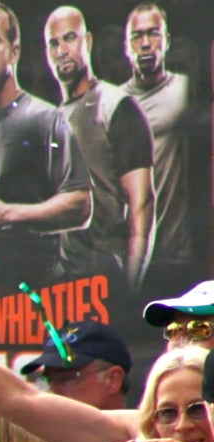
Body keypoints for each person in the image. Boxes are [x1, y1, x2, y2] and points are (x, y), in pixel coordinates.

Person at [0, 2, 89, 286]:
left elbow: (81, 205)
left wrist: (7, 213)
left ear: (14, 51)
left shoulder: (45, 118)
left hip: (38, 298)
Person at [44, 5, 153, 286]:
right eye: (53, 43)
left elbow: (141, 205)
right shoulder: (52, 119)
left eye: (69, 38)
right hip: (63, 282)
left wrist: (131, 287)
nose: (61, 50)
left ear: (87, 41)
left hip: (104, 274)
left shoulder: (115, 106)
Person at [118, 4, 198, 293]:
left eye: (153, 34)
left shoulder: (187, 91)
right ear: (126, 46)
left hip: (180, 253)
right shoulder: (115, 104)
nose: (146, 43)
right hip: (132, 257)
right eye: (137, 36)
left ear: (166, 40)